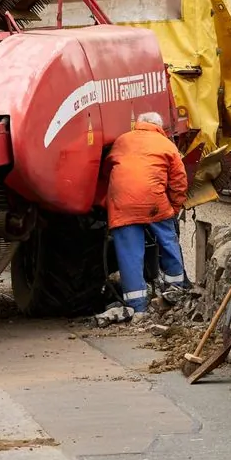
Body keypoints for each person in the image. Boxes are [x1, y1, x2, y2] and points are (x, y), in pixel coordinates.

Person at [96, 111, 190, 325]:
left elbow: (106, 171)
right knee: (168, 241)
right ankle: (177, 291)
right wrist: (173, 208)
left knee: (129, 254)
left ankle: (137, 307)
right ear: (158, 126)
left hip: (121, 205)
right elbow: (179, 180)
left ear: (138, 124)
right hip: (154, 203)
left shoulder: (121, 141)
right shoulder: (165, 144)